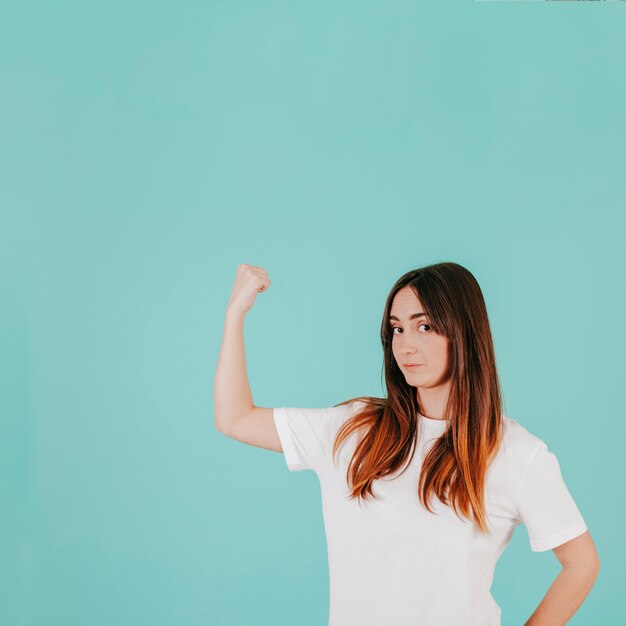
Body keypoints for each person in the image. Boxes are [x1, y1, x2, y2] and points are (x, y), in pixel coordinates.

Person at [214, 262, 600, 626]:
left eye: (425, 326)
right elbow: (235, 418)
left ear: (463, 331)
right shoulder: (352, 429)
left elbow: (581, 565)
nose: (406, 346)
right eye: (397, 329)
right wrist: (235, 316)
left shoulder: (514, 452)